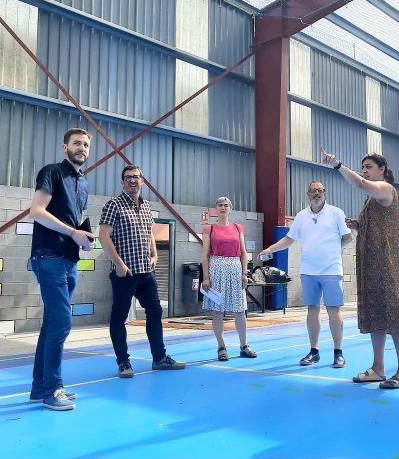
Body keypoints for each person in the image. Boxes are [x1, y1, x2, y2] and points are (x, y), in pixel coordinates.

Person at [321, 148, 399, 389]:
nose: (365, 171)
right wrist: (359, 224)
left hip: (388, 263)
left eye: (369, 167)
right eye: (363, 167)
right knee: (376, 315)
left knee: (394, 312)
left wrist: (338, 165)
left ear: (382, 169)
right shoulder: (371, 200)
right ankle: (378, 368)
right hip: (371, 263)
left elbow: (361, 184)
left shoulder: (385, 189)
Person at [29, 128, 95, 411]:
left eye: (86, 144)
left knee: (51, 325)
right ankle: (52, 389)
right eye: (76, 143)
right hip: (49, 256)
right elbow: (37, 211)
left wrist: (84, 237)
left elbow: (76, 220)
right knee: (61, 323)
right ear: (64, 146)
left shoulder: (84, 183)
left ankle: (39, 387)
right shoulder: (52, 172)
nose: (81, 147)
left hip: (70, 259)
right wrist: (71, 233)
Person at [99, 165, 186, 378]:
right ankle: (123, 362)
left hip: (146, 272)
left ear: (142, 181)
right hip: (124, 273)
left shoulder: (146, 206)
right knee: (119, 317)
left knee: (155, 312)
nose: (132, 181)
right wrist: (119, 264)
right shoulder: (114, 205)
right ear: (122, 182)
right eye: (128, 178)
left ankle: (159, 358)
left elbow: (149, 234)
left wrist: (155, 254)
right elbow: (103, 236)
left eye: (135, 177)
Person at [259, 181, 352, 368]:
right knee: (312, 309)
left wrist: (334, 250)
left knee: (334, 309)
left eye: (319, 190)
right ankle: (314, 351)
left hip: (331, 271)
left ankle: (338, 352)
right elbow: (289, 239)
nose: (316, 194)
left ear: (324, 192)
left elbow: (347, 236)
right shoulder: (301, 216)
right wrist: (270, 248)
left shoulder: (336, 213)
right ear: (308, 194)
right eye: (313, 191)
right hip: (308, 271)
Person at [201, 197, 257, 361]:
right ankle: (221, 346)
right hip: (216, 267)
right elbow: (205, 255)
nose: (223, 208)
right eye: (220, 205)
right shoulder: (209, 229)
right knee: (218, 311)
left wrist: (245, 273)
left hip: (235, 268)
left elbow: (244, 252)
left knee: (240, 309)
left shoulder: (238, 227)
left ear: (230, 209)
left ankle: (244, 345)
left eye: (226, 205)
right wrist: (206, 277)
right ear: (215, 209)